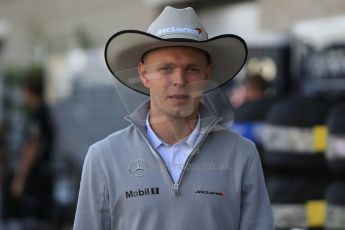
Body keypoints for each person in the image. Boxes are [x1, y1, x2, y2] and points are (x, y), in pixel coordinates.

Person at [73, 6, 274, 230]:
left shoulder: (241, 154)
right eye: (166, 68)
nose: (179, 80)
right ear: (144, 74)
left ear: (207, 75)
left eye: (191, 69)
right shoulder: (104, 157)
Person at [7, 72, 55, 224]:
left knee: (31, 220)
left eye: (24, 91)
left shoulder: (37, 115)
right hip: (44, 173)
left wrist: (20, 177)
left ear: (30, 92)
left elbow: (32, 146)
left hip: (35, 176)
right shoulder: (45, 112)